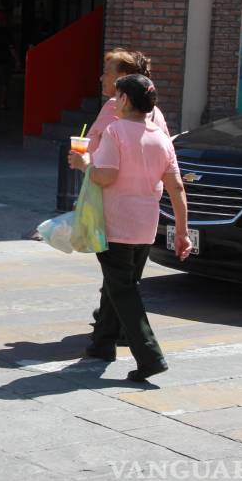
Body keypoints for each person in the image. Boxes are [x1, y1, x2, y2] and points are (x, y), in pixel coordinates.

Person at [69, 74, 191, 382]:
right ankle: (102, 344)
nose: (114, 101)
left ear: (124, 100)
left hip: (116, 224)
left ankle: (150, 356)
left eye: (117, 96)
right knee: (119, 284)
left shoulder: (116, 131)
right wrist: (181, 230)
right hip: (145, 226)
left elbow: (106, 176)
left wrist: (85, 165)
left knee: (123, 289)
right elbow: (176, 186)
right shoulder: (161, 137)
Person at [72, 49, 169, 344]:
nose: (102, 76)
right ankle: (109, 326)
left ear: (124, 80)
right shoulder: (154, 112)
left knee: (118, 272)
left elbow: (96, 150)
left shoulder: (115, 108)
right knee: (125, 273)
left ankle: (133, 339)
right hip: (146, 204)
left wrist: (83, 162)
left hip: (116, 200)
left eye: (108, 71)